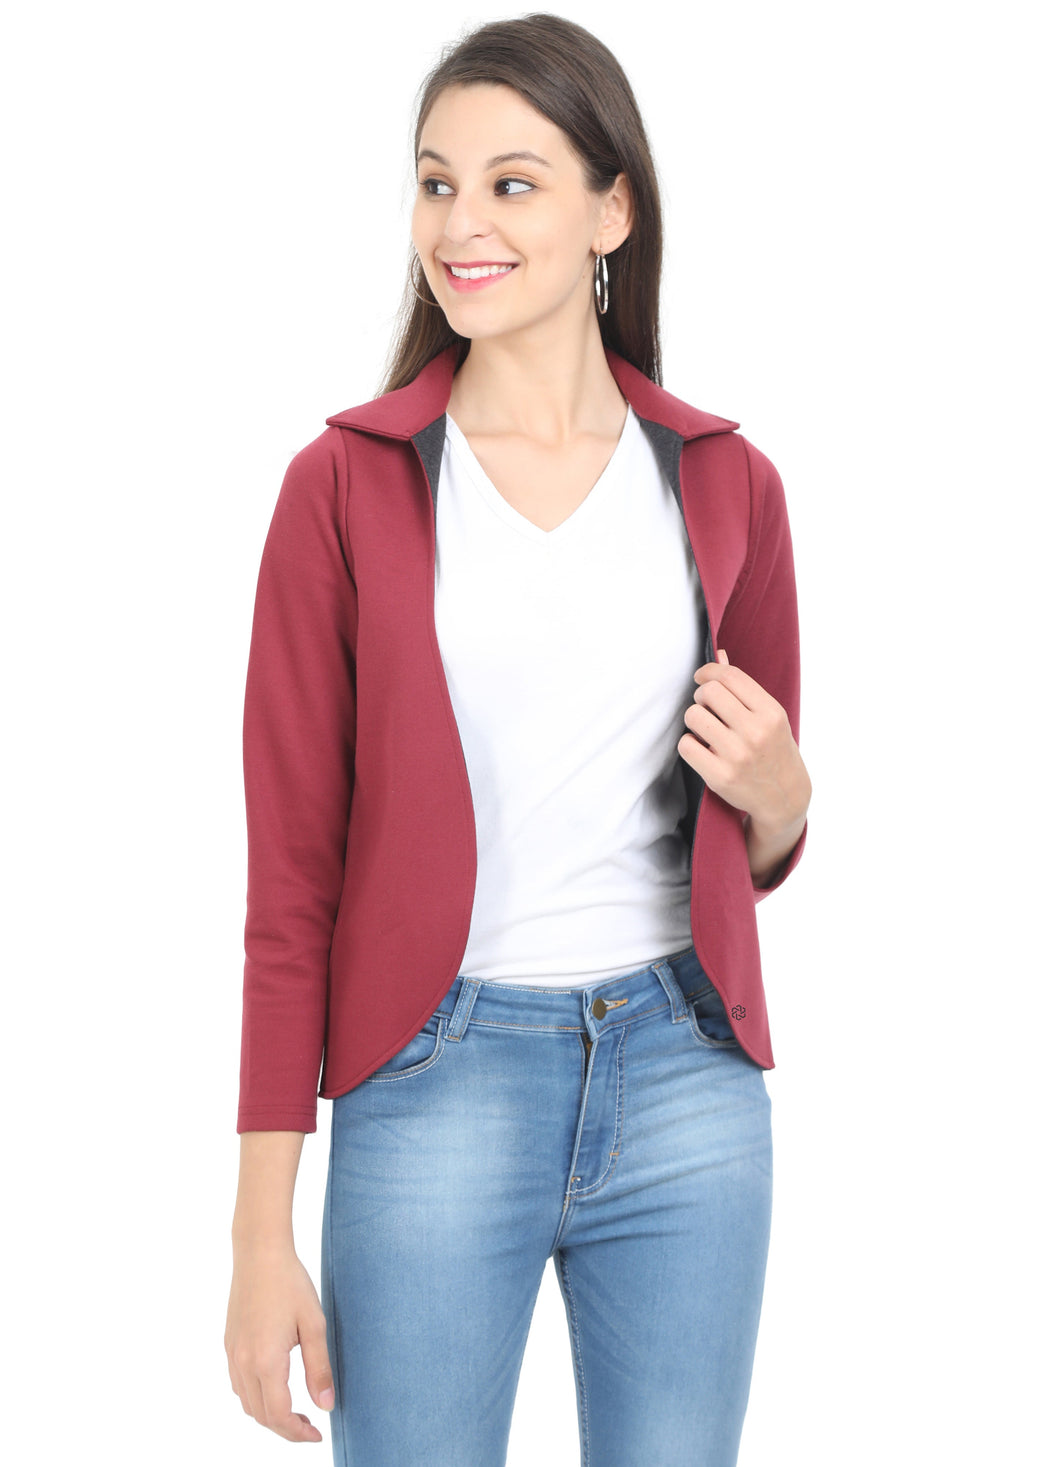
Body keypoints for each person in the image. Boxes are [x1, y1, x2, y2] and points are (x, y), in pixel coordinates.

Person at [224, 13, 812, 1466]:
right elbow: (290, 889)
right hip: (434, 1080)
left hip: (686, 1078)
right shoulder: (342, 489)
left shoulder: (727, 483)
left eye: (511, 183)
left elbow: (759, 826)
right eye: (437, 183)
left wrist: (786, 798)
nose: (459, 224)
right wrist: (259, 1237)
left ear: (613, 210)